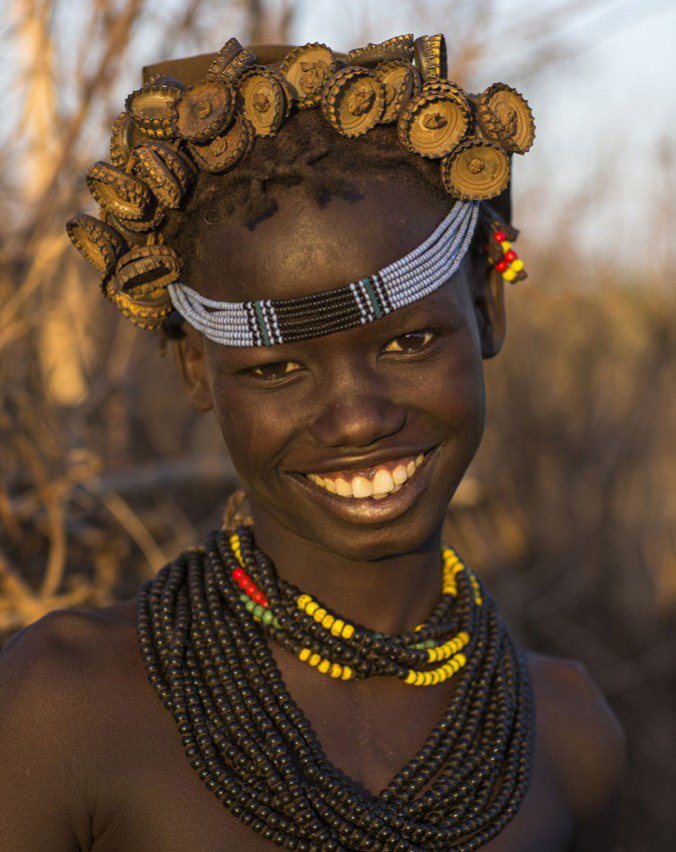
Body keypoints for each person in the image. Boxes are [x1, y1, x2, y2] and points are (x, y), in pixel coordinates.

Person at [0, 34, 625, 851]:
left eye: (409, 344)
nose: (359, 419)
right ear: (197, 369)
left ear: (488, 310)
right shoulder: (63, 707)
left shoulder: (567, 739)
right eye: (277, 368)